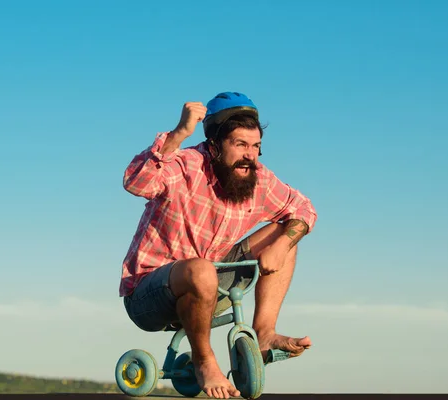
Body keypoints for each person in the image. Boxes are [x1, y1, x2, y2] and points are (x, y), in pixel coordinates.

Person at [119, 92, 317, 399]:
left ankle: (263, 334)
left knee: (284, 234)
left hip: (209, 285)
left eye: (256, 147)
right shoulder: (184, 165)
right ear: (214, 146)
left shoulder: (258, 179)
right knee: (199, 270)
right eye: (240, 145)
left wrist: (282, 245)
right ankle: (204, 362)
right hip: (148, 296)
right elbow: (136, 181)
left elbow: (304, 209)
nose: (250, 155)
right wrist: (179, 134)